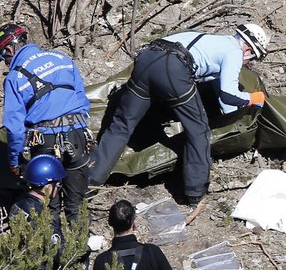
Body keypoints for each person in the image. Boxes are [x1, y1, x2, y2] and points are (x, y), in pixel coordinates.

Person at [87, 23, 271, 205]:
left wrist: (228, 109)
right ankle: (195, 193)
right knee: (198, 130)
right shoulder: (234, 52)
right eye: (252, 59)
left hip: (147, 59)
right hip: (173, 68)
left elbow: (218, 85)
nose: (248, 63)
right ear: (248, 48)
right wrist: (254, 98)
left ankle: (89, 181)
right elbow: (229, 93)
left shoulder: (211, 39)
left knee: (121, 124)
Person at [0, 22, 91, 230]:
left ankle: (53, 251)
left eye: (3, 58)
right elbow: (82, 99)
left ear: (9, 49)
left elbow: (15, 128)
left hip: (46, 141)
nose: (5, 63)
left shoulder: (15, 77)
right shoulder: (62, 59)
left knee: (48, 206)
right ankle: (80, 256)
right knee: (77, 205)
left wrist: (15, 161)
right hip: (78, 134)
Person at [8, 154, 67, 242]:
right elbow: (57, 251)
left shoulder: (17, 205)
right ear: (48, 187)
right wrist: (88, 247)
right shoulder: (43, 217)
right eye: (58, 184)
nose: (59, 188)